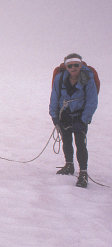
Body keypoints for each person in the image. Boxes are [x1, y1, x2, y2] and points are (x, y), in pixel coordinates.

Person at [49, 53, 98, 188]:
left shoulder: (87, 79)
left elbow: (92, 101)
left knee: (80, 144)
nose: (73, 68)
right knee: (66, 141)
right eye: (70, 65)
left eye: (76, 65)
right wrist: (54, 116)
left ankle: (83, 173)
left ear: (81, 65)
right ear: (66, 66)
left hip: (79, 117)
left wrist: (84, 119)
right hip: (64, 116)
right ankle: (69, 165)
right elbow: (54, 97)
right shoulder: (59, 79)